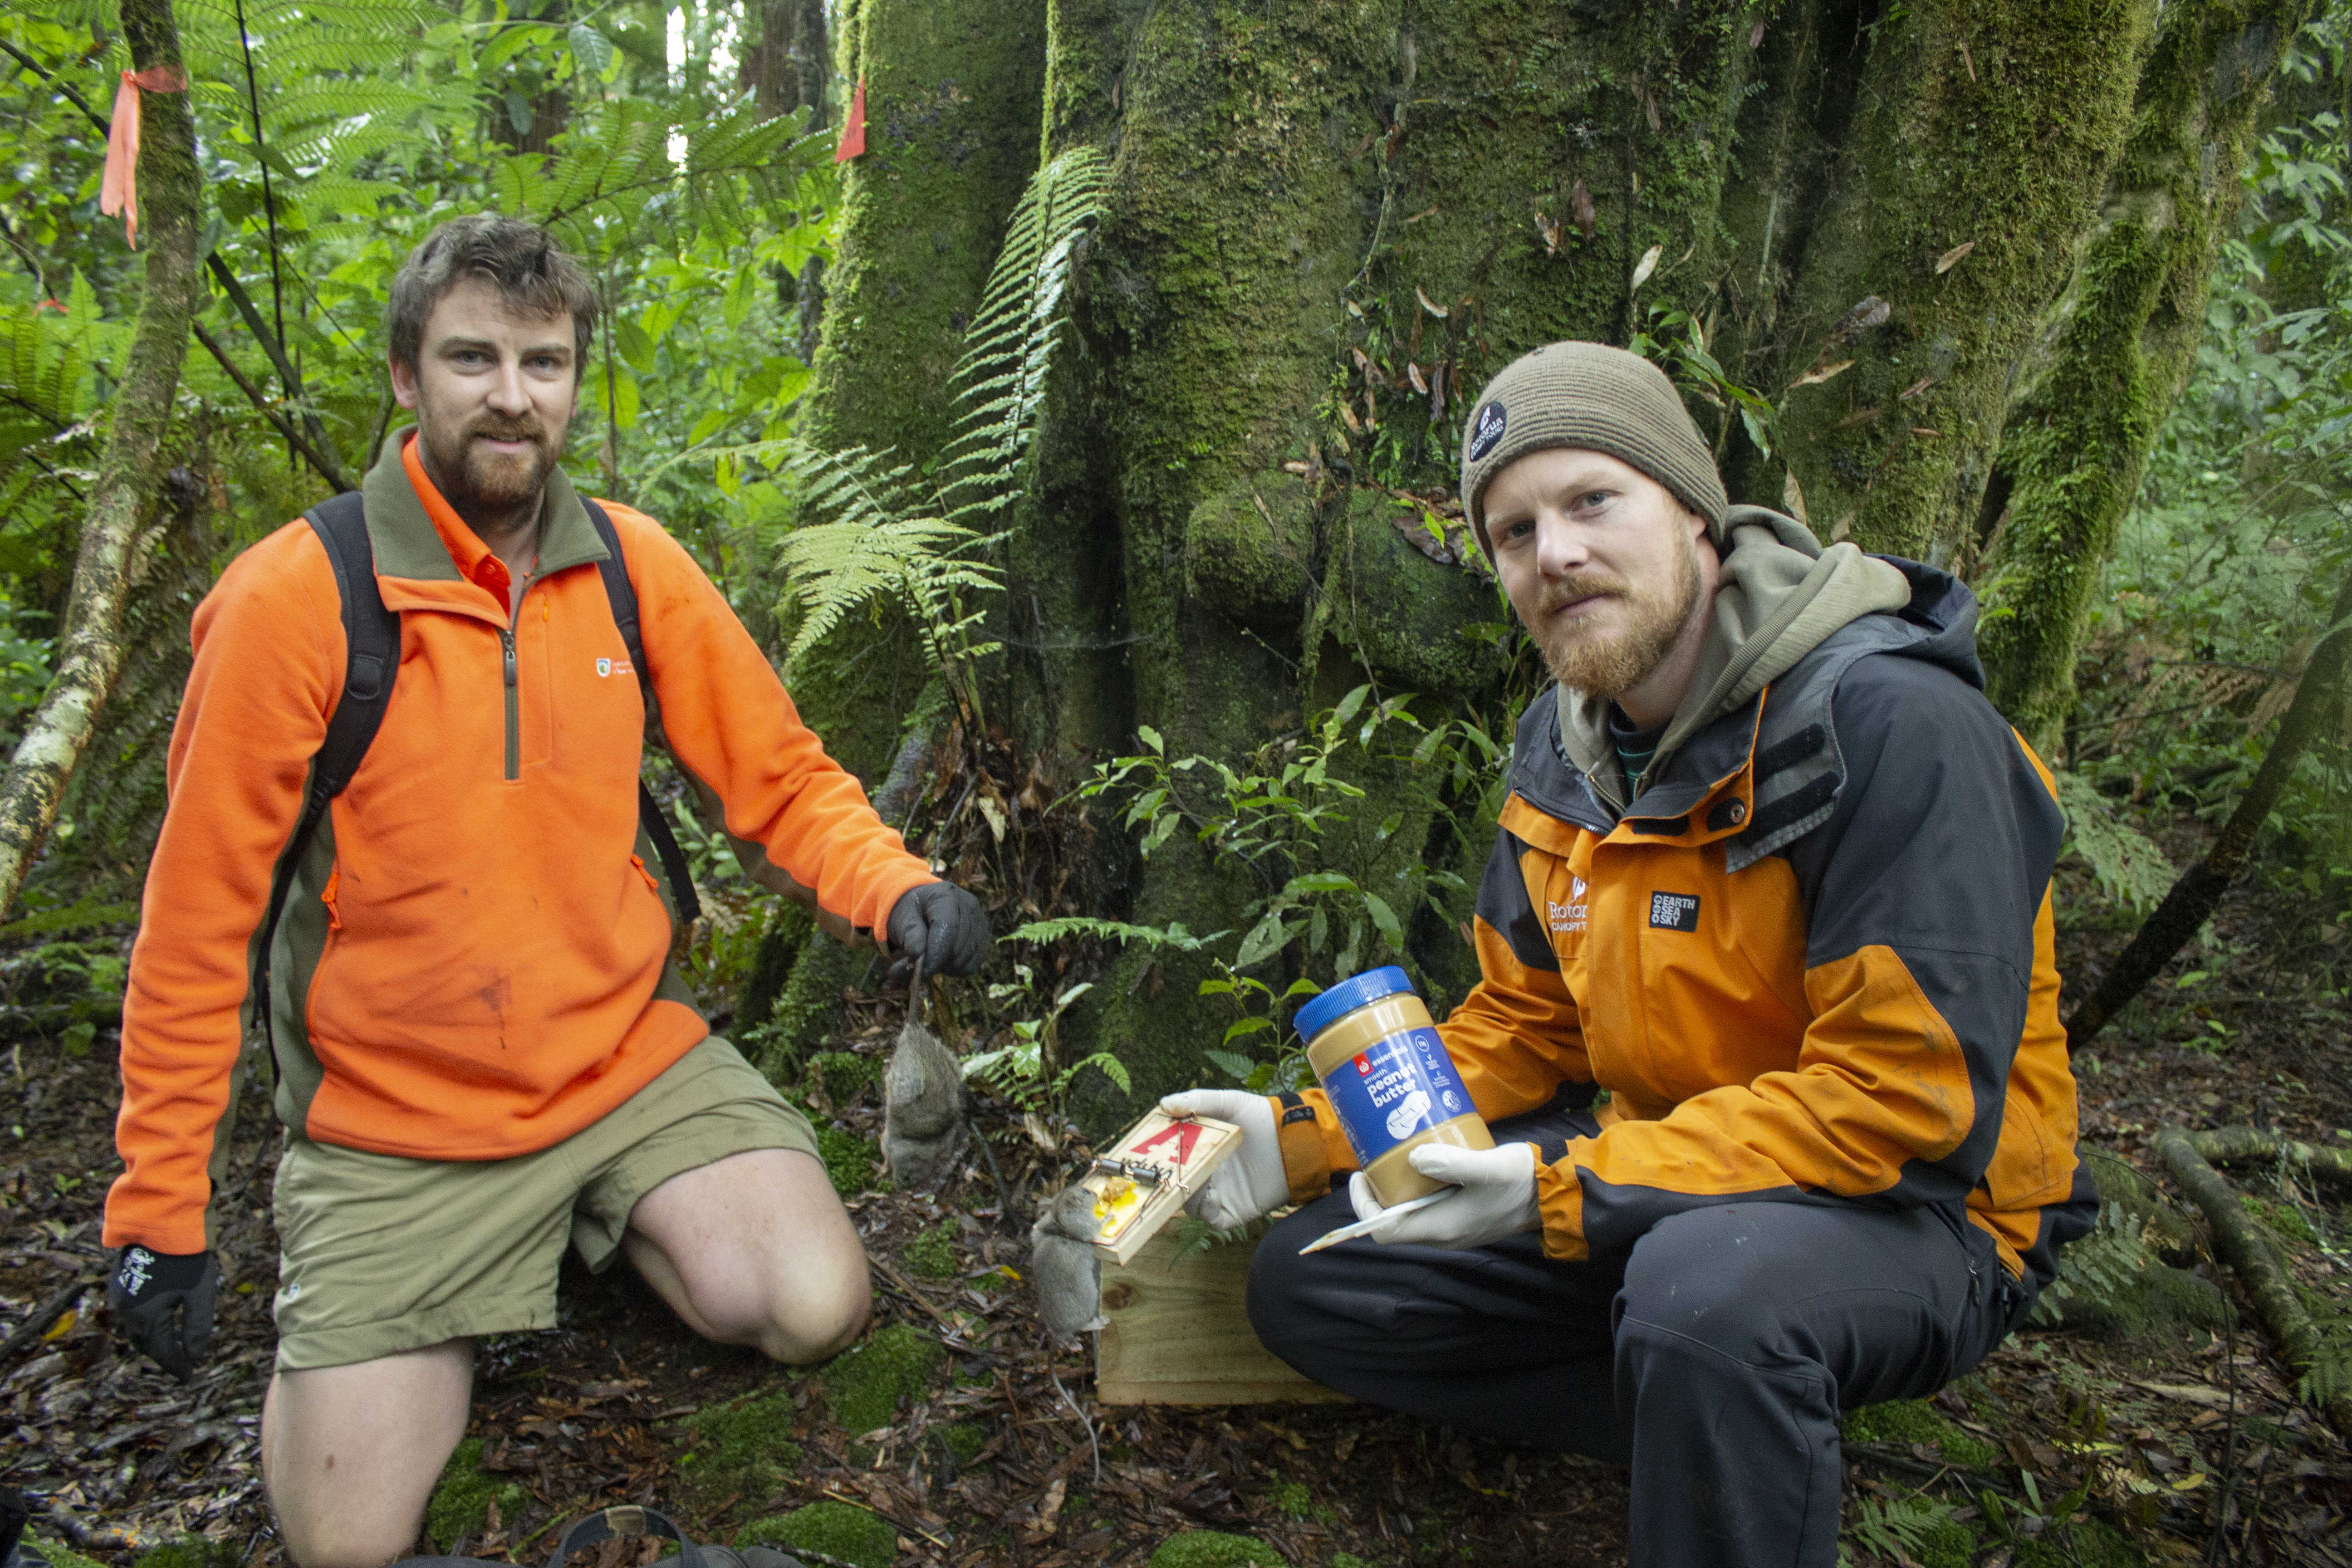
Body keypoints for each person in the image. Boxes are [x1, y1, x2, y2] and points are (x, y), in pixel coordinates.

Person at [99, 215, 990, 1568]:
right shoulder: (296, 598)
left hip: (627, 1064)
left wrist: (895, 887)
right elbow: (194, 927)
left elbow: (783, 780)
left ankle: (613, 1225)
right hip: (397, 1126)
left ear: (574, 381)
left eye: (544, 361)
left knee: (816, 1305)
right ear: (407, 376)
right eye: (472, 358)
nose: (511, 396)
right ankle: (490, 1269)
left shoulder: (632, 568)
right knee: (344, 1541)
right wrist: (156, 1215)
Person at [1165, 342, 2096, 1567]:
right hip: (1670, 1182)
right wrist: (1293, 1142)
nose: (1553, 554)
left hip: (1924, 1216)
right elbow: (1522, 1032)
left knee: (1709, 1300)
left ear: (1695, 514)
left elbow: (1902, 1112)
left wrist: (1572, 1191)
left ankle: (1723, 1389)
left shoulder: (1894, 730)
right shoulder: (1566, 752)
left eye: (1592, 501)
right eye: (1512, 532)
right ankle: (1725, 1418)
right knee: (1318, 1282)